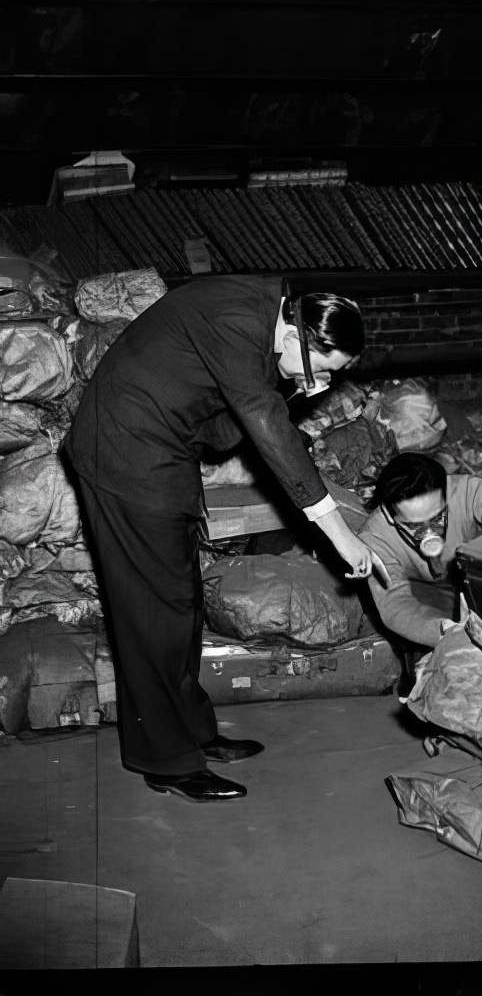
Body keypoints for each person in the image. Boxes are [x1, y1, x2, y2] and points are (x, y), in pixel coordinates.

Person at [62, 274, 389, 803]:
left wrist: (291, 385)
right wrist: (341, 537)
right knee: (151, 609)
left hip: (162, 453)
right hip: (124, 456)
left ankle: (190, 731)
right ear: (296, 338)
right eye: (323, 370)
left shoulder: (270, 313)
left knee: (180, 600)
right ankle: (165, 759)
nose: (322, 385)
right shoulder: (240, 323)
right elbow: (264, 427)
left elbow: (221, 431)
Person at [358, 452, 482, 701]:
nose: (428, 532)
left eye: (437, 517)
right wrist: (445, 630)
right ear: (391, 516)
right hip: (426, 593)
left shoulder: (469, 490)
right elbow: (394, 603)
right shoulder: (374, 536)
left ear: (447, 493)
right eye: (414, 525)